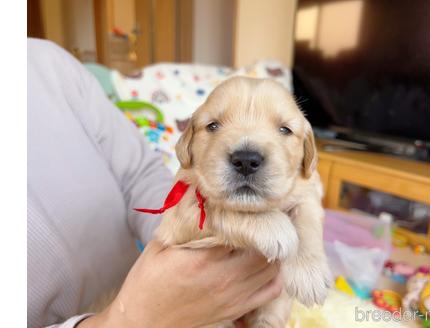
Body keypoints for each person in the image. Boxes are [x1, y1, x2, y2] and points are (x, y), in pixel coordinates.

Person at [27, 39, 282, 328]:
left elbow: (141, 174)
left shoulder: (47, 62)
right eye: (214, 126)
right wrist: (132, 318)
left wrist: (196, 250)